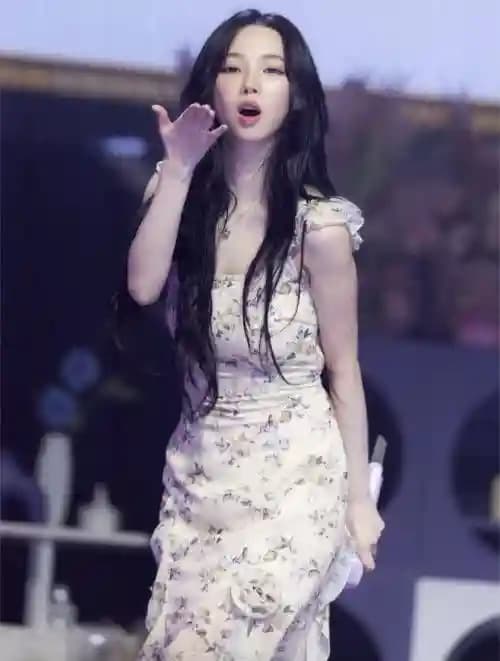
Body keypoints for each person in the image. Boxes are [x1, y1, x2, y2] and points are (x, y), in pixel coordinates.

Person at [125, 9, 384, 660]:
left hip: (295, 482)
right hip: (199, 481)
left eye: (271, 71)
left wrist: (359, 501)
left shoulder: (319, 229)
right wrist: (178, 169)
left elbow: (344, 370)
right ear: (210, 87)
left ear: (295, 96)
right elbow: (143, 285)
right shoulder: (176, 192)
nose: (249, 84)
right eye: (233, 68)